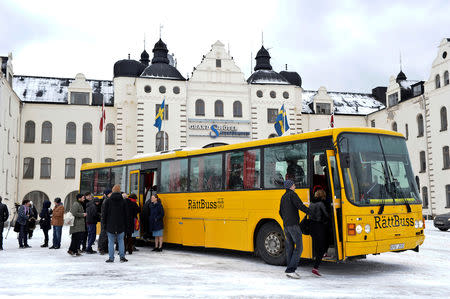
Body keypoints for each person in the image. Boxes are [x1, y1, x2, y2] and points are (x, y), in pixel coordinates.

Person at [279, 179, 311, 279]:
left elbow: (280, 211)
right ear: (290, 186)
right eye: (293, 185)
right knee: (299, 247)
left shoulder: (283, 197)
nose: (295, 186)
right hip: (293, 225)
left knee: (290, 248)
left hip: (286, 226)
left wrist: (286, 220)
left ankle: (290, 269)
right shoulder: (292, 195)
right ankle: (291, 270)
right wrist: (311, 212)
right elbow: (300, 206)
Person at [102, 185, 128, 263]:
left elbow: (104, 214)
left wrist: (104, 224)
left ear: (112, 191)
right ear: (120, 191)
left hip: (110, 225)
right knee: (121, 241)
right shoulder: (123, 201)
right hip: (121, 224)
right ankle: (122, 257)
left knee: (111, 242)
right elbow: (126, 214)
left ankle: (111, 258)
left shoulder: (108, 201)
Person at [309, 189, 330, 277]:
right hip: (319, 226)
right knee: (322, 246)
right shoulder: (321, 204)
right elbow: (326, 215)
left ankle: (321, 255)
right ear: (322, 196)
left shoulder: (311, 203)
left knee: (317, 246)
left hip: (312, 226)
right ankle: (315, 268)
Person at [98, 189, 112, 255]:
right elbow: (104, 212)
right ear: (107, 194)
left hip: (106, 219)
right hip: (105, 220)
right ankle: (101, 248)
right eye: (110, 193)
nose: (111, 194)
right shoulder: (106, 201)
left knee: (106, 234)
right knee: (103, 234)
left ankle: (105, 248)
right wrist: (104, 220)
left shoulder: (107, 200)